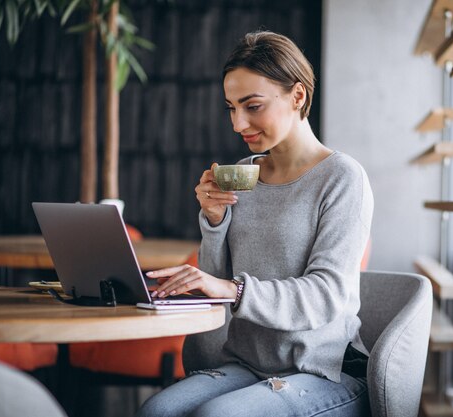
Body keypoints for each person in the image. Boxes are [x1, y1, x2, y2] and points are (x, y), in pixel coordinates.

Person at [137, 30, 374, 417]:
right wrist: (214, 223)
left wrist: (232, 288)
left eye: (252, 106)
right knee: (157, 411)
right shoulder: (243, 174)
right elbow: (218, 289)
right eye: (231, 108)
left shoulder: (343, 178)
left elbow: (327, 294)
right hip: (246, 364)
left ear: (297, 96)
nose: (238, 123)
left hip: (322, 370)